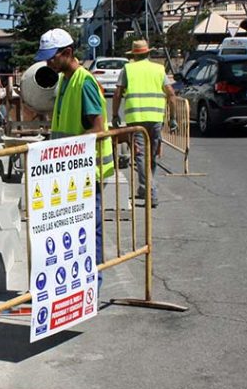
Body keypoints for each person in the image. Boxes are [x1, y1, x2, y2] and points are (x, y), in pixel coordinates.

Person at [36, 28, 115, 282]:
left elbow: (98, 128)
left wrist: (67, 150)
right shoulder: (65, 81)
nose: (49, 62)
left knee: (90, 230)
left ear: (68, 52)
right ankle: (77, 282)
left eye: (52, 57)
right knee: (72, 230)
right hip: (69, 172)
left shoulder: (85, 82)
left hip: (86, 171)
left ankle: (93, 283)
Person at [110, 40, 178, 208]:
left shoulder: (128, 69)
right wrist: (173, 118)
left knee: (140, 156)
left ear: (133, 55)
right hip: (155, 118)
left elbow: (118, 93)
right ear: (148, 53)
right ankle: (145, 187)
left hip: (136, 119)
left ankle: (150, 192)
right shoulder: (159, 69)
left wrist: (115, 115)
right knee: (152, 155)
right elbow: (171, 94)